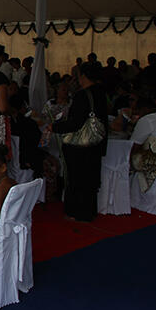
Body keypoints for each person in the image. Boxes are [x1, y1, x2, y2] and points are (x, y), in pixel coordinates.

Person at [50, 62, 108, 222]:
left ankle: (75, 212)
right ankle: (88, 211)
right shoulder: (101, 93)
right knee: (90, 179)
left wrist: (54, 127)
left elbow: (75, 123)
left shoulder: (82, 95)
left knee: (76, 178)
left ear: (83, 76)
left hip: (80, 145)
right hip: (96, 142)